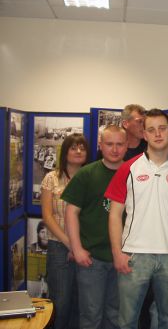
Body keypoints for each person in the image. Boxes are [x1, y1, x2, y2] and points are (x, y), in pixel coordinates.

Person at [105, 109, 168, 329]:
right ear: (144, 134)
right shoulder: (128, 169)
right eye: (151, 130)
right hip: (134, 256)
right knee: (127, 320)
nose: (157, 134)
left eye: (162, 128)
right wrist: (117, 252)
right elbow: (114, 214)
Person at [63, 125, 128, 329]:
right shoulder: (87, 174)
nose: (115, 149)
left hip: (125, 258)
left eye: (119, 144)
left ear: (127, 146)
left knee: (116, 316)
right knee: (91, 316)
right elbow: (71, 212)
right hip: (92, 259)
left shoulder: (135, 174)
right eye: (109, 144)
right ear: (100, 145)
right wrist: (77, 248)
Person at [41, 133, 89, 329]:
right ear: (65, 152)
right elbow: (48, 215)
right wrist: (70, 244)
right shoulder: (51, 178)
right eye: (73, 147)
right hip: (58, 246)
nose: (78, 151)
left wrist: (79, 246)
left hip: (86, 247)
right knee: (60, 302)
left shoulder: (90, 176)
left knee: (83, 303)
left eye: (82, 148)